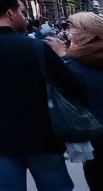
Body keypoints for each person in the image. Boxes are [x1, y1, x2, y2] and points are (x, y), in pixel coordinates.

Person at [0, 0, 84, 191]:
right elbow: (72, 85)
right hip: (42, 137)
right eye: (22, 12)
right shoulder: (37, 47)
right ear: (10, 13)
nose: (25, 17)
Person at [46, 11, 103, 190]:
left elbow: (69, 94)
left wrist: (62, 57)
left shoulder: (74, 65)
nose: (68, 31)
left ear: (86, 34)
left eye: (72, 28)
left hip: (95, 130)